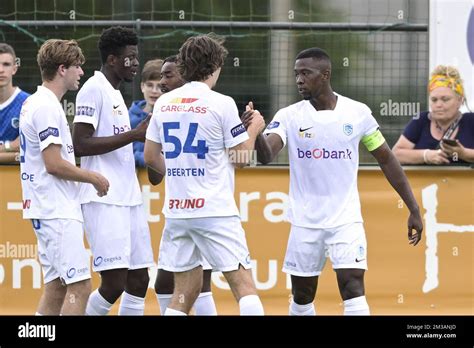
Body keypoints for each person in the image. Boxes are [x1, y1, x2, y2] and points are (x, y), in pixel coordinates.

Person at [243, 47, 423, 316]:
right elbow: (268, 155)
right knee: (302, 296)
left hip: (345, 220)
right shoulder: (289, 115)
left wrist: (413, 208)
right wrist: (256, 131)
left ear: (325, 74)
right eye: (296, 74)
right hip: (305, 222)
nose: (299, 80)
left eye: (306, 73)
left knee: (352, 287)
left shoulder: (357, 113)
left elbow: (386, 159)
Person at [144, 34, 265, 315]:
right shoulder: (221, 103)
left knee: (184, 293)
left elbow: (150, 156)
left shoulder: (164, 103)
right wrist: (254, 128)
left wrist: (177, 173)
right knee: (244, 287)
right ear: (215, 67)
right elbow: (241, 158)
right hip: (215, 210)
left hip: (177, 212)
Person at [19, 39, 109, 315]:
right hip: (55, 209)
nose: (81, 72)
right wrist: (92, 177)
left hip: (47, 208)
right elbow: (54, 164)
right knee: (80, 286)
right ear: (62, 69)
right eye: (77, 66)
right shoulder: (45, 107)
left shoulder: (37, 102)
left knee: (57, 286)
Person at [72, 26, 154, 315]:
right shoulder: (93, 89)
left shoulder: (116, 92)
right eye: (130, 58)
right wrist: (134, 135)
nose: (135, 64)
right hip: (103, 198)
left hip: (129, 197)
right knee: (114, 282)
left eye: (136, 57)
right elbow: (79, 144)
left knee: (140, 279)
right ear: (111, 60)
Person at [148, 55, 217, 315]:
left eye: (168, 75)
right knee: (166, 282)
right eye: (160, 76)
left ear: (186, 77)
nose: (162, 82)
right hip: (179, 210)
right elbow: (155, 177)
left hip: (202, 209)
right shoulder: (165, 111)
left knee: (199, 282)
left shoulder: (209, 108)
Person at [393, 65, 474, 164]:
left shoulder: (471, 121)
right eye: (434, 100)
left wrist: (464, 154)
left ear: (460, 100)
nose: (438, 105)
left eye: (445, 99)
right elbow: (396, 154)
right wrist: (425, 155)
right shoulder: (421, 120)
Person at [129, 59, 163, 167]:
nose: (154, 91)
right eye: (149, 85)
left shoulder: (171, 116)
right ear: (142, 87)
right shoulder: (128, 117)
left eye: (159, 86)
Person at [0, 43, 30, 164]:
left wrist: (6, 147)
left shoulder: (28, 103)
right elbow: (17, 149)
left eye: (6, 64)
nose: (1, 70)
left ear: (14, 68)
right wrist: (12, 147)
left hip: (17, 178)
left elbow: (27, 150)